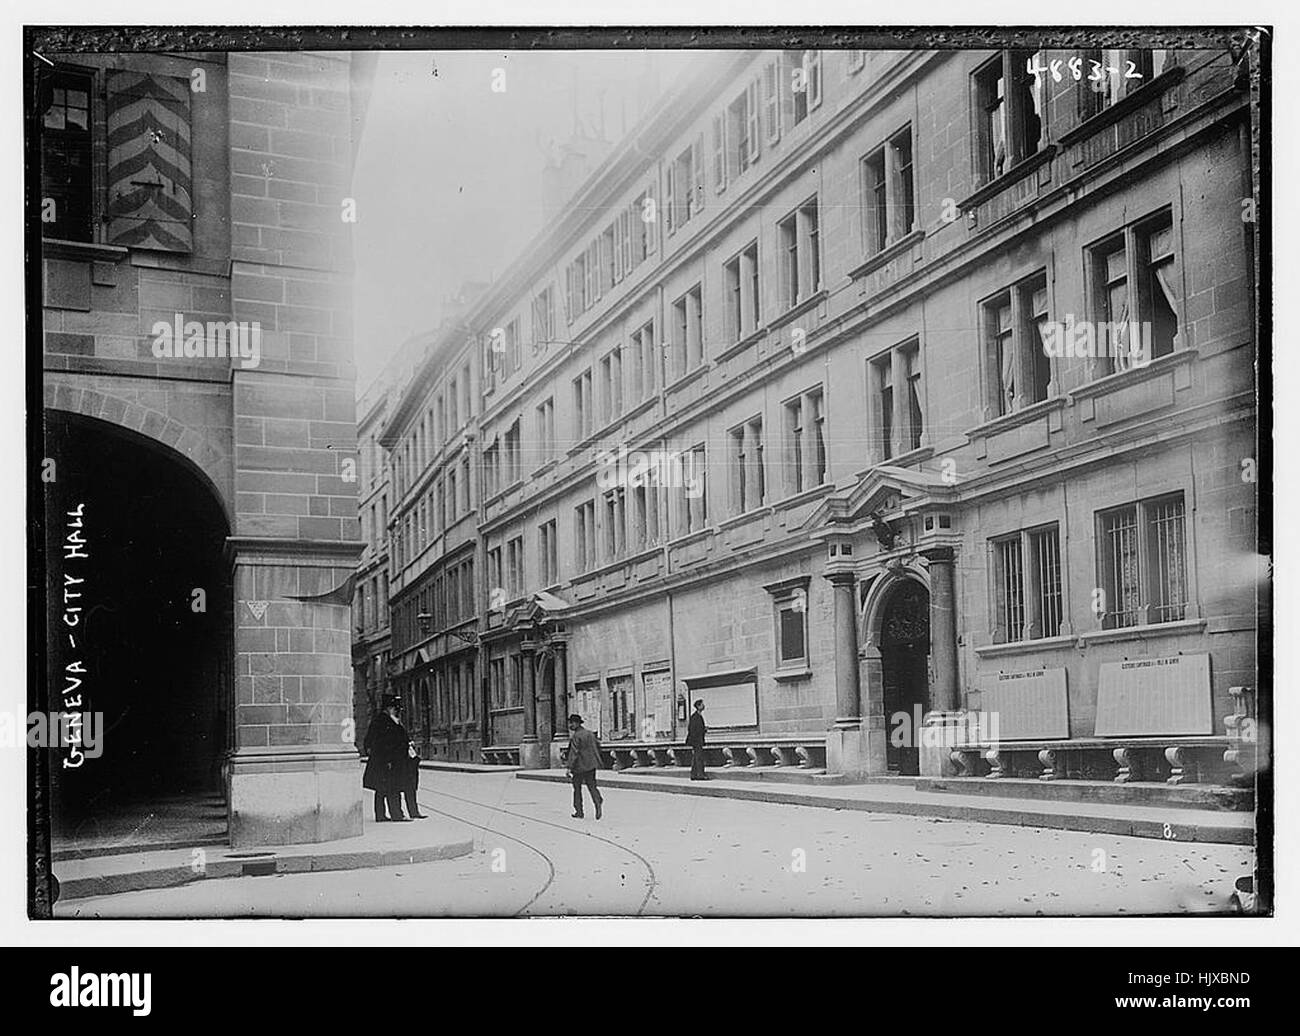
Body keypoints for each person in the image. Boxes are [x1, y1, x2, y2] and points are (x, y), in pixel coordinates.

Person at [362, 695, 410, 822]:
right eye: (395, 708)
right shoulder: (384, 721)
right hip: (388, 761)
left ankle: (381, 815)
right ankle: (396, 815)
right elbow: (381, 743)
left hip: (388, 760)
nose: (397, 711)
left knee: (382, 789)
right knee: (392, 788)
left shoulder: (388, 720)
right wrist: (388, 760)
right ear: (389, 708)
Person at [565, 714, 603, 820]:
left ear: (576, 723)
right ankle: (597, 801)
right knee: (592, 786)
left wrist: (569, 767)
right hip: (591, 765)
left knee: (577, 788)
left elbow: (574, 753)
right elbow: (598, 747)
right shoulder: (590, 734)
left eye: (571, 723)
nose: (570, 725)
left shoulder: (576, 736)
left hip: (579, 766)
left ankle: (579, 811)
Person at [401, 737, 427, 819]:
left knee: (411, 790)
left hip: (410, 766)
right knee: (409, 790)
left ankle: (414, 812)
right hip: (405, 766)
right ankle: (413, 812)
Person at [686, 699, 708, 780]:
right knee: (699, 758)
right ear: (698, 706)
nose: (704, 706)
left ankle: (694, 775)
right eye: (702, 704)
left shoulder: (697, 716)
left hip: (697, 741)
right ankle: (700, 775)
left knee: (696, 758)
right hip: (697, 741)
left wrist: (703, 729)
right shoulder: (695, 717)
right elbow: (692, 729)